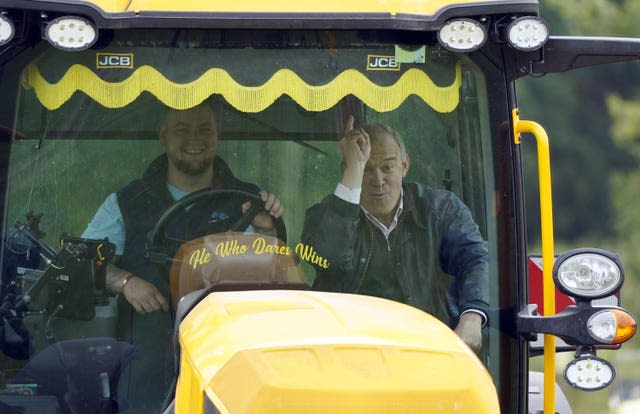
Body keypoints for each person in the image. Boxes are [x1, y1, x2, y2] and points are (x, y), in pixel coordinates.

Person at [82, 102, 283, 413]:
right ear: (162, 135)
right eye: (182, 129)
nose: (194, 139)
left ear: (219, 135)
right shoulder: (126, 201)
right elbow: (82, 261)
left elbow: (277, 277)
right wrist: (124, 281)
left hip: (229, 361)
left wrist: (267, 233)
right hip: (145, 361)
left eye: (204, 129)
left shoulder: (250, 202)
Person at [301, 116, 489, 352]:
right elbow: (329, 257)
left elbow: (474, 259)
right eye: (367, 169)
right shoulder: (324, 217)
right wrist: (353, 170)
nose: (378, 180)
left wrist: (471, 317)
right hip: (348, 355)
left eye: (387, 167)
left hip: (430, 352)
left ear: (404, 166)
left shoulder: (441, 210)